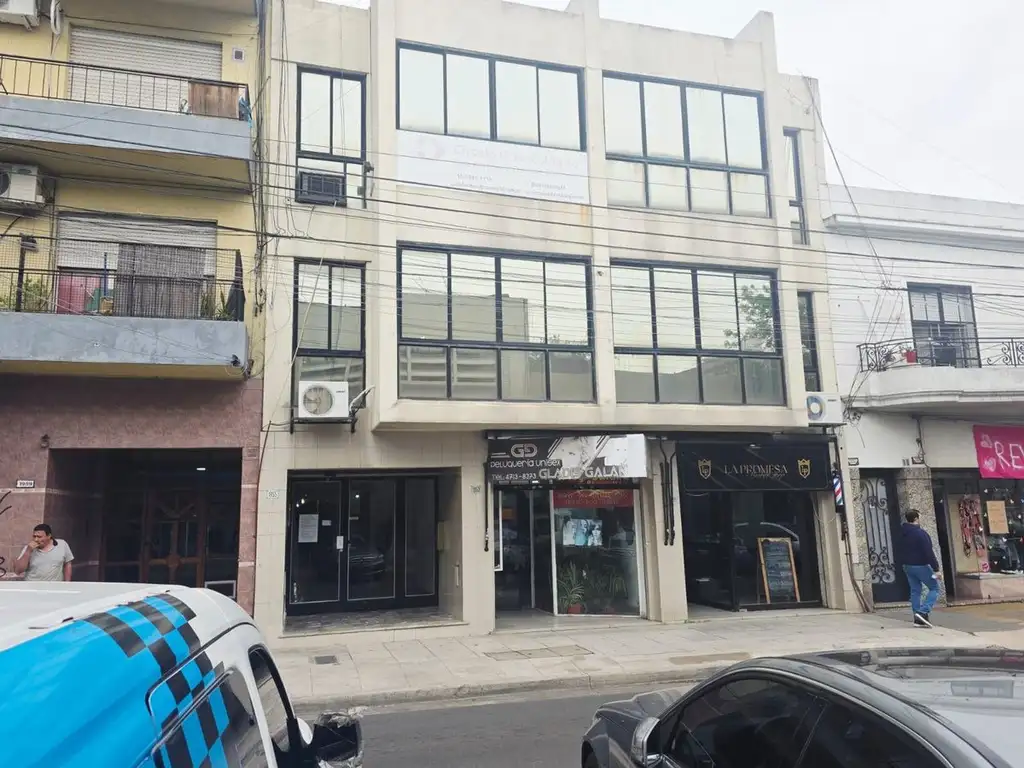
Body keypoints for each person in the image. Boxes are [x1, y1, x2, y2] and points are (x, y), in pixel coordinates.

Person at [900, 509, 941, 627]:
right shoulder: (920, 533)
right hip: (921, 565)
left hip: (907, 566)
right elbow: (928, 552)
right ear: (916, 519)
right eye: (920, 517)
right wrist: (936, 569)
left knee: (915, 590)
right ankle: (923, 612)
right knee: (934, 588)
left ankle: (917, 618)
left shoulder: (902, 533)